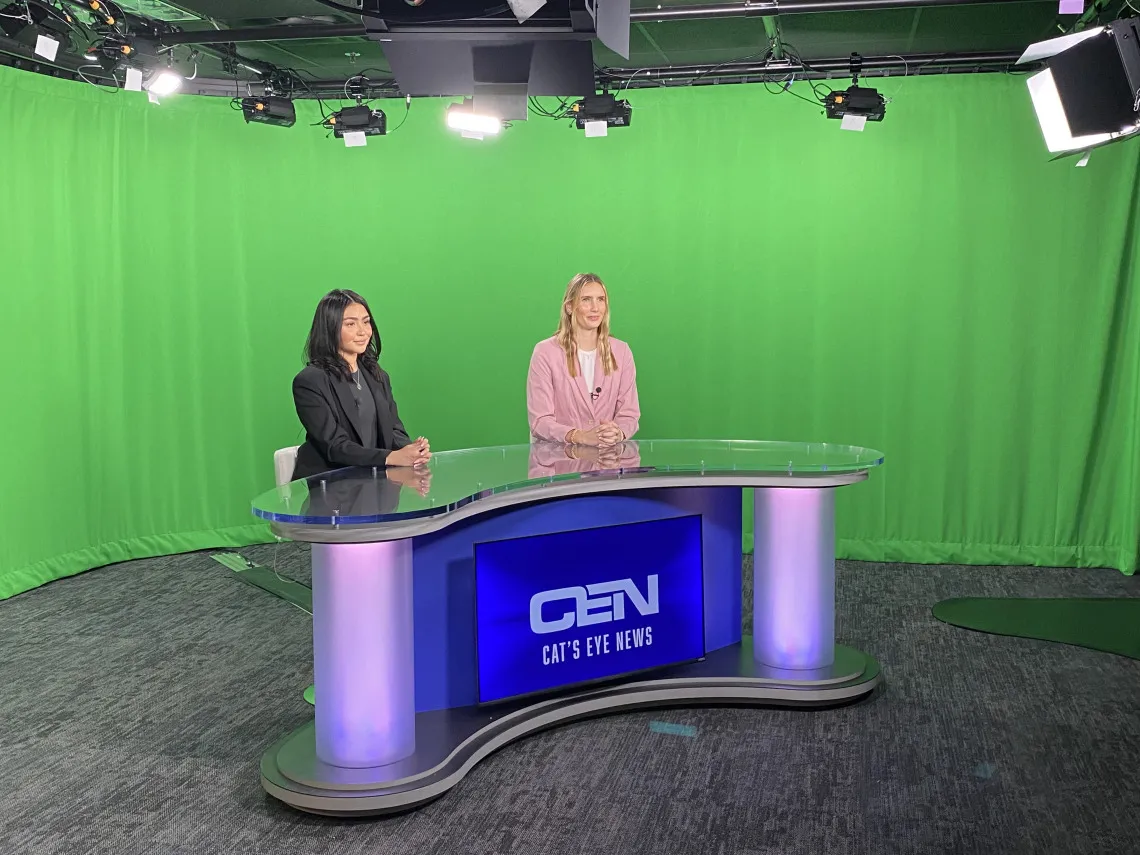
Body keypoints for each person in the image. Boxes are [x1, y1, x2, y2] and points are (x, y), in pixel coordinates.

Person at [291, 289, 430, 480]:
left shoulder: (378, 376)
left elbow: (393, 430)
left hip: (376, 483)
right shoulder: (309, 382)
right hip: (331, 489)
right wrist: (391, 457)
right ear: (329, 328)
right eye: (350, 324)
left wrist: (411, 451)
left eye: (366, 322)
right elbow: (335, 446)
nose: (363, 331)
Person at [526, 272, 640, 446]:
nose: (595, 308)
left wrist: (618, 432)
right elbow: (540, 421)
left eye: (600, 299)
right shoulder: (545, 352)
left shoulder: (621, 351)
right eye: (586, 299)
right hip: (558, 463)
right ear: (570, 307)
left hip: (606, 463)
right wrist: (579, 436)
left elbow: (629, 415)